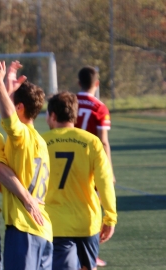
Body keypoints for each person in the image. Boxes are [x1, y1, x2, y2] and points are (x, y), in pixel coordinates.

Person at [0, 57, 53, 270]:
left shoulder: (21, 135)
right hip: (44, 230)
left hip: (24, 228)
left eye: (10, 98)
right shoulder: (40, 141)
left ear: (20, 107)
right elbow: (21, 179)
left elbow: (8, 118)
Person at [42, 91, 117, 270]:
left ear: (53, 115)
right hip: (87, 221)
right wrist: (110, 217)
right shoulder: (92, 142)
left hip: (56, 222)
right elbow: (104, 182)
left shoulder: (41, 142)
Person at [75, 66, 116, 267]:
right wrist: (108, 170)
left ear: (78, 82)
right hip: (90, 163)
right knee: (92, 206)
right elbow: (103, 141)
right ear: (97, 84)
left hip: (65, 158)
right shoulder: (99, 107)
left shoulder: (69, 101)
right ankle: (90, 252)